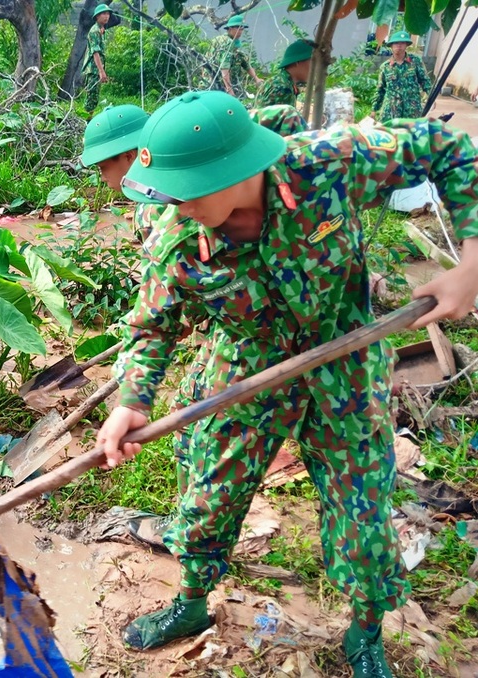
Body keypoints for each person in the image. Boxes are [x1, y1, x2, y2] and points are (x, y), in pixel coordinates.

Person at [97, 90, 478, 678]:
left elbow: (446, 146)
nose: (176, 203)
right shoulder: (177, 234)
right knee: (208, 496)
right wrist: (132, 401)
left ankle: (365, 633)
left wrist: (472, 264)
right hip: (245, 372)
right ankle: (192, 603)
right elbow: (152, 326)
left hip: (344, 362)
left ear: (235, 170)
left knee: (362, 516)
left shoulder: (326, 163)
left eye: (188, 190)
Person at [373, 31, 431, 121]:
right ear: (391, 46)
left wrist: (431, 97)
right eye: (396, 43)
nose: (399, 46)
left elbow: (425, 81)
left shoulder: (415, 61)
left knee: (412, 133)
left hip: (412, 109)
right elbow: (380, 90)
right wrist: (374, 109)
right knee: (389, 133)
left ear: (406, 45)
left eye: (402, 43)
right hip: (391, 110)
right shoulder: (385, 67)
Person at [206, 14, 262, 99]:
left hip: (210, 82)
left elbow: (244, 62)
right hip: (215, 84)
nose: (241, 31)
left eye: (242, 28)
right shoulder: (227, 43)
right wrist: (230, 90)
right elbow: (224, 69)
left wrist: (256, 79)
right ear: (231, 28)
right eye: (238, 28)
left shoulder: (225, 39)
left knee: (240, 56)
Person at [256, 39, 314, 109]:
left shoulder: (279, 81)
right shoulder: (284, 88)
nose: (316, 68)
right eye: (313, 62)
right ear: (297, 62)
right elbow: (284, 119)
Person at [83, 4, 113, 115]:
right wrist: (101, 71)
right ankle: (87, 120)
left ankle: (89, 119)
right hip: (93, 69)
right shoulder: (94, 31)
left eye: (108, 14)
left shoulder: (101, 29)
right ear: (97, 16)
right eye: (104, 14)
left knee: (95, 96)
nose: (107, 16)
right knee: (91, 96)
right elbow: (95, 52)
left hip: (97, 69)